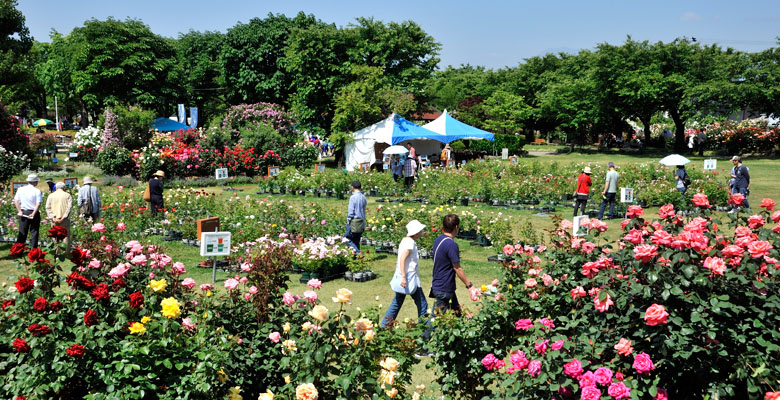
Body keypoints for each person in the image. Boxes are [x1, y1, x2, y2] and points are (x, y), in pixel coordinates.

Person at [380, 220, 429, 328]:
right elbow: (402, 259)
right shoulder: (410, 243)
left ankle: (384, 326)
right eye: (420, 230)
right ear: (416, 232)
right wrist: (403, 277)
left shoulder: (405, 240)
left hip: (405, 276)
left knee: (397, 302)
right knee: (422, 304)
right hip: (409, 277)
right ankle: (424, 328)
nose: (422, 232)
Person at [429, 214, 477, 315]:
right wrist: (470, 286)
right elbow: (457, 268)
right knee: (435, 321)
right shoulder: (451, 244)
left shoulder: (438, 240)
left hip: (441, 285)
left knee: (457, 313)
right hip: (444, 288)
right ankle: (426, 332)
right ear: (456, 227)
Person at [13, 174, 43, 249]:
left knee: (22, 232)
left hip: (23, 212)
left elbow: (16, 200)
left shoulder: (21, 189)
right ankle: (33, 250)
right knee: (34, 232)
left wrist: (19, 211)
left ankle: (18, 251)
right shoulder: (37, 191)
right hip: (34, 212)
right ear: (35, 182)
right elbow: (38, 203)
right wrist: (33, 213)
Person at [45, 182, 73, 251]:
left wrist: (53, 217)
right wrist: (64, 217)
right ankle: (66, 253)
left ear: (56, 188)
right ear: (64, 188)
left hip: (54, 220)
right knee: (66, 236)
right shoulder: (67, 195)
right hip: (64, 219)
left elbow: (47, 207)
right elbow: (69, 207)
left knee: (55, 237)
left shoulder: (51, 196)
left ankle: (56, 253)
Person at [345, 180, 367, 250]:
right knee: (356, 240)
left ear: (352, 187)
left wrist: (348, 220)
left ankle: (357, 253)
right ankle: (357, 257)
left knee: (347, 239)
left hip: (354, 221)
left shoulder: (353, 197)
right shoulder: (363, 197)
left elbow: (351, 211)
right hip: (361, 221)